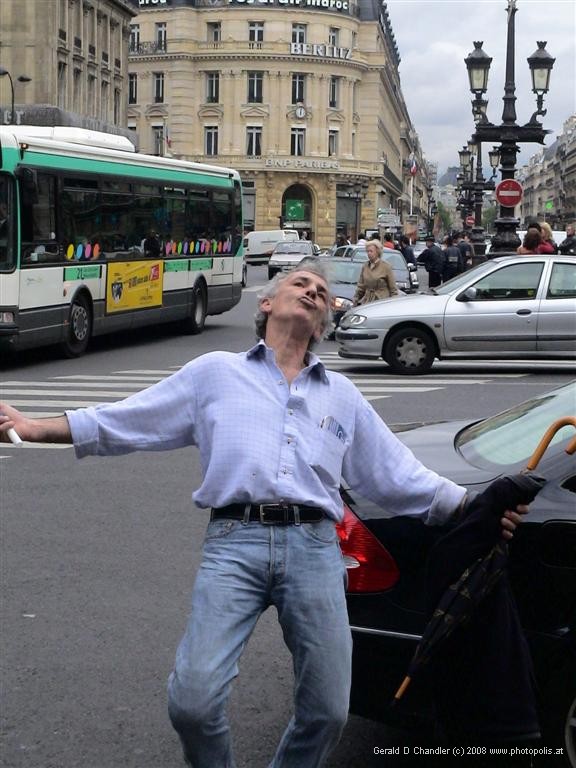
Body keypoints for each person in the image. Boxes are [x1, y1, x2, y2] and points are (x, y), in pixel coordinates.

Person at [0, 262, 528, 768]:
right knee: (194, 703)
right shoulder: (215, 374)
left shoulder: (341, 394)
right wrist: (35, 424)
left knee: (327, 711)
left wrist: (476, 506)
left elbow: (398, 476)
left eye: (322, 292)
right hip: (235, 542)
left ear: (324, 321)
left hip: (318, 549)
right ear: (268, 301)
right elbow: (125, 420)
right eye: (301, 283)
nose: (314, 292)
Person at [353, 239, 398, 305]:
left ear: (377, 252)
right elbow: (361, 286)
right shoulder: (365, 266)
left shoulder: (386, 266)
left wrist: (393, 303)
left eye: (371, 251)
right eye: (367, 251)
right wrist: (356, 298)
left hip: (382, 301)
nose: (369, 253)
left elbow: (393, 289)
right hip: (368, 301)